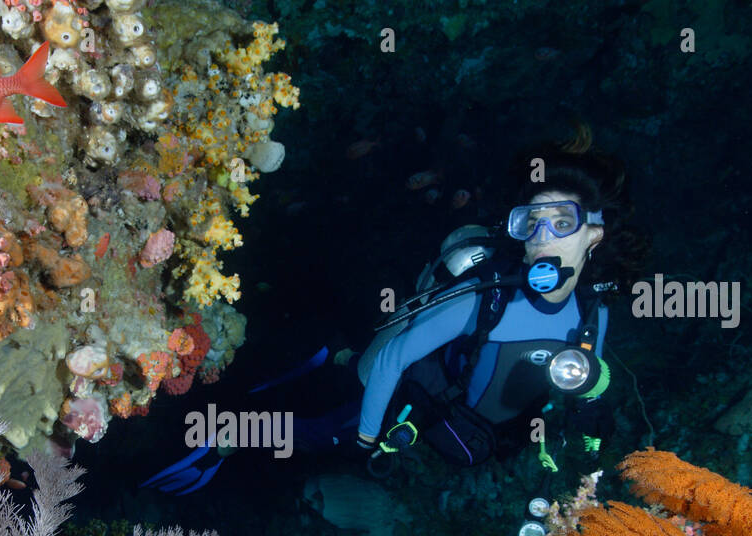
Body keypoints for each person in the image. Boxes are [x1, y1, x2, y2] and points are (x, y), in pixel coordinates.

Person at [145, 145, 628, 495]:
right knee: (325, 434)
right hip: (415, 400)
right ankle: (225, 437)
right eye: (531, 222)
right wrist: (367, 437)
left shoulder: (594, 315)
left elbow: (581, 380)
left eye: (562, 222)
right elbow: (395, 356)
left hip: (474, 426)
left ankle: (329, 356)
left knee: (344, 379)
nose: (542, 237)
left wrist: (585, 443)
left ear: (595, 235)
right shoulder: (485, 301)